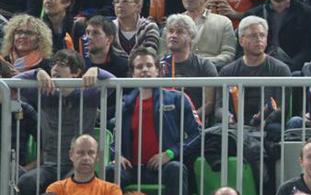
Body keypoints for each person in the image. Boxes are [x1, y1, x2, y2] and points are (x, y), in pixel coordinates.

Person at [108, 47, 201, 195]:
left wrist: (170, 154)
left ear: (157, 70)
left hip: (164, 167)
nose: (145, 70)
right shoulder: (124, 104)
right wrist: (117, 156)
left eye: (149, 65)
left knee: (176, 168)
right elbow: (114, 142)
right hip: (132, 169)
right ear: (132, 74)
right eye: (139, 67)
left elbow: (198, 134)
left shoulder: (177, 98)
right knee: (110, 170)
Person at [217, 16, 292, 125]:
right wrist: (228, 117)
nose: (259, 39)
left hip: (268, 125)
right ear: (241, 41)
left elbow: (282, 106)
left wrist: (262, 120)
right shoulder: (227, 71)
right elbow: (219, 107)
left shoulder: (280, 69)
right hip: (235, 125)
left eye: (262, 35)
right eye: (253, 36)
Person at [159, 13, 218, 119]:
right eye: (171, 31)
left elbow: (209, 103)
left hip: (195, 122)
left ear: (191, 36)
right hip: (164, 121)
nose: (173, 35)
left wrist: (189, 119)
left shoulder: (205, 66)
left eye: (179, 32)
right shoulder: (158, 66)